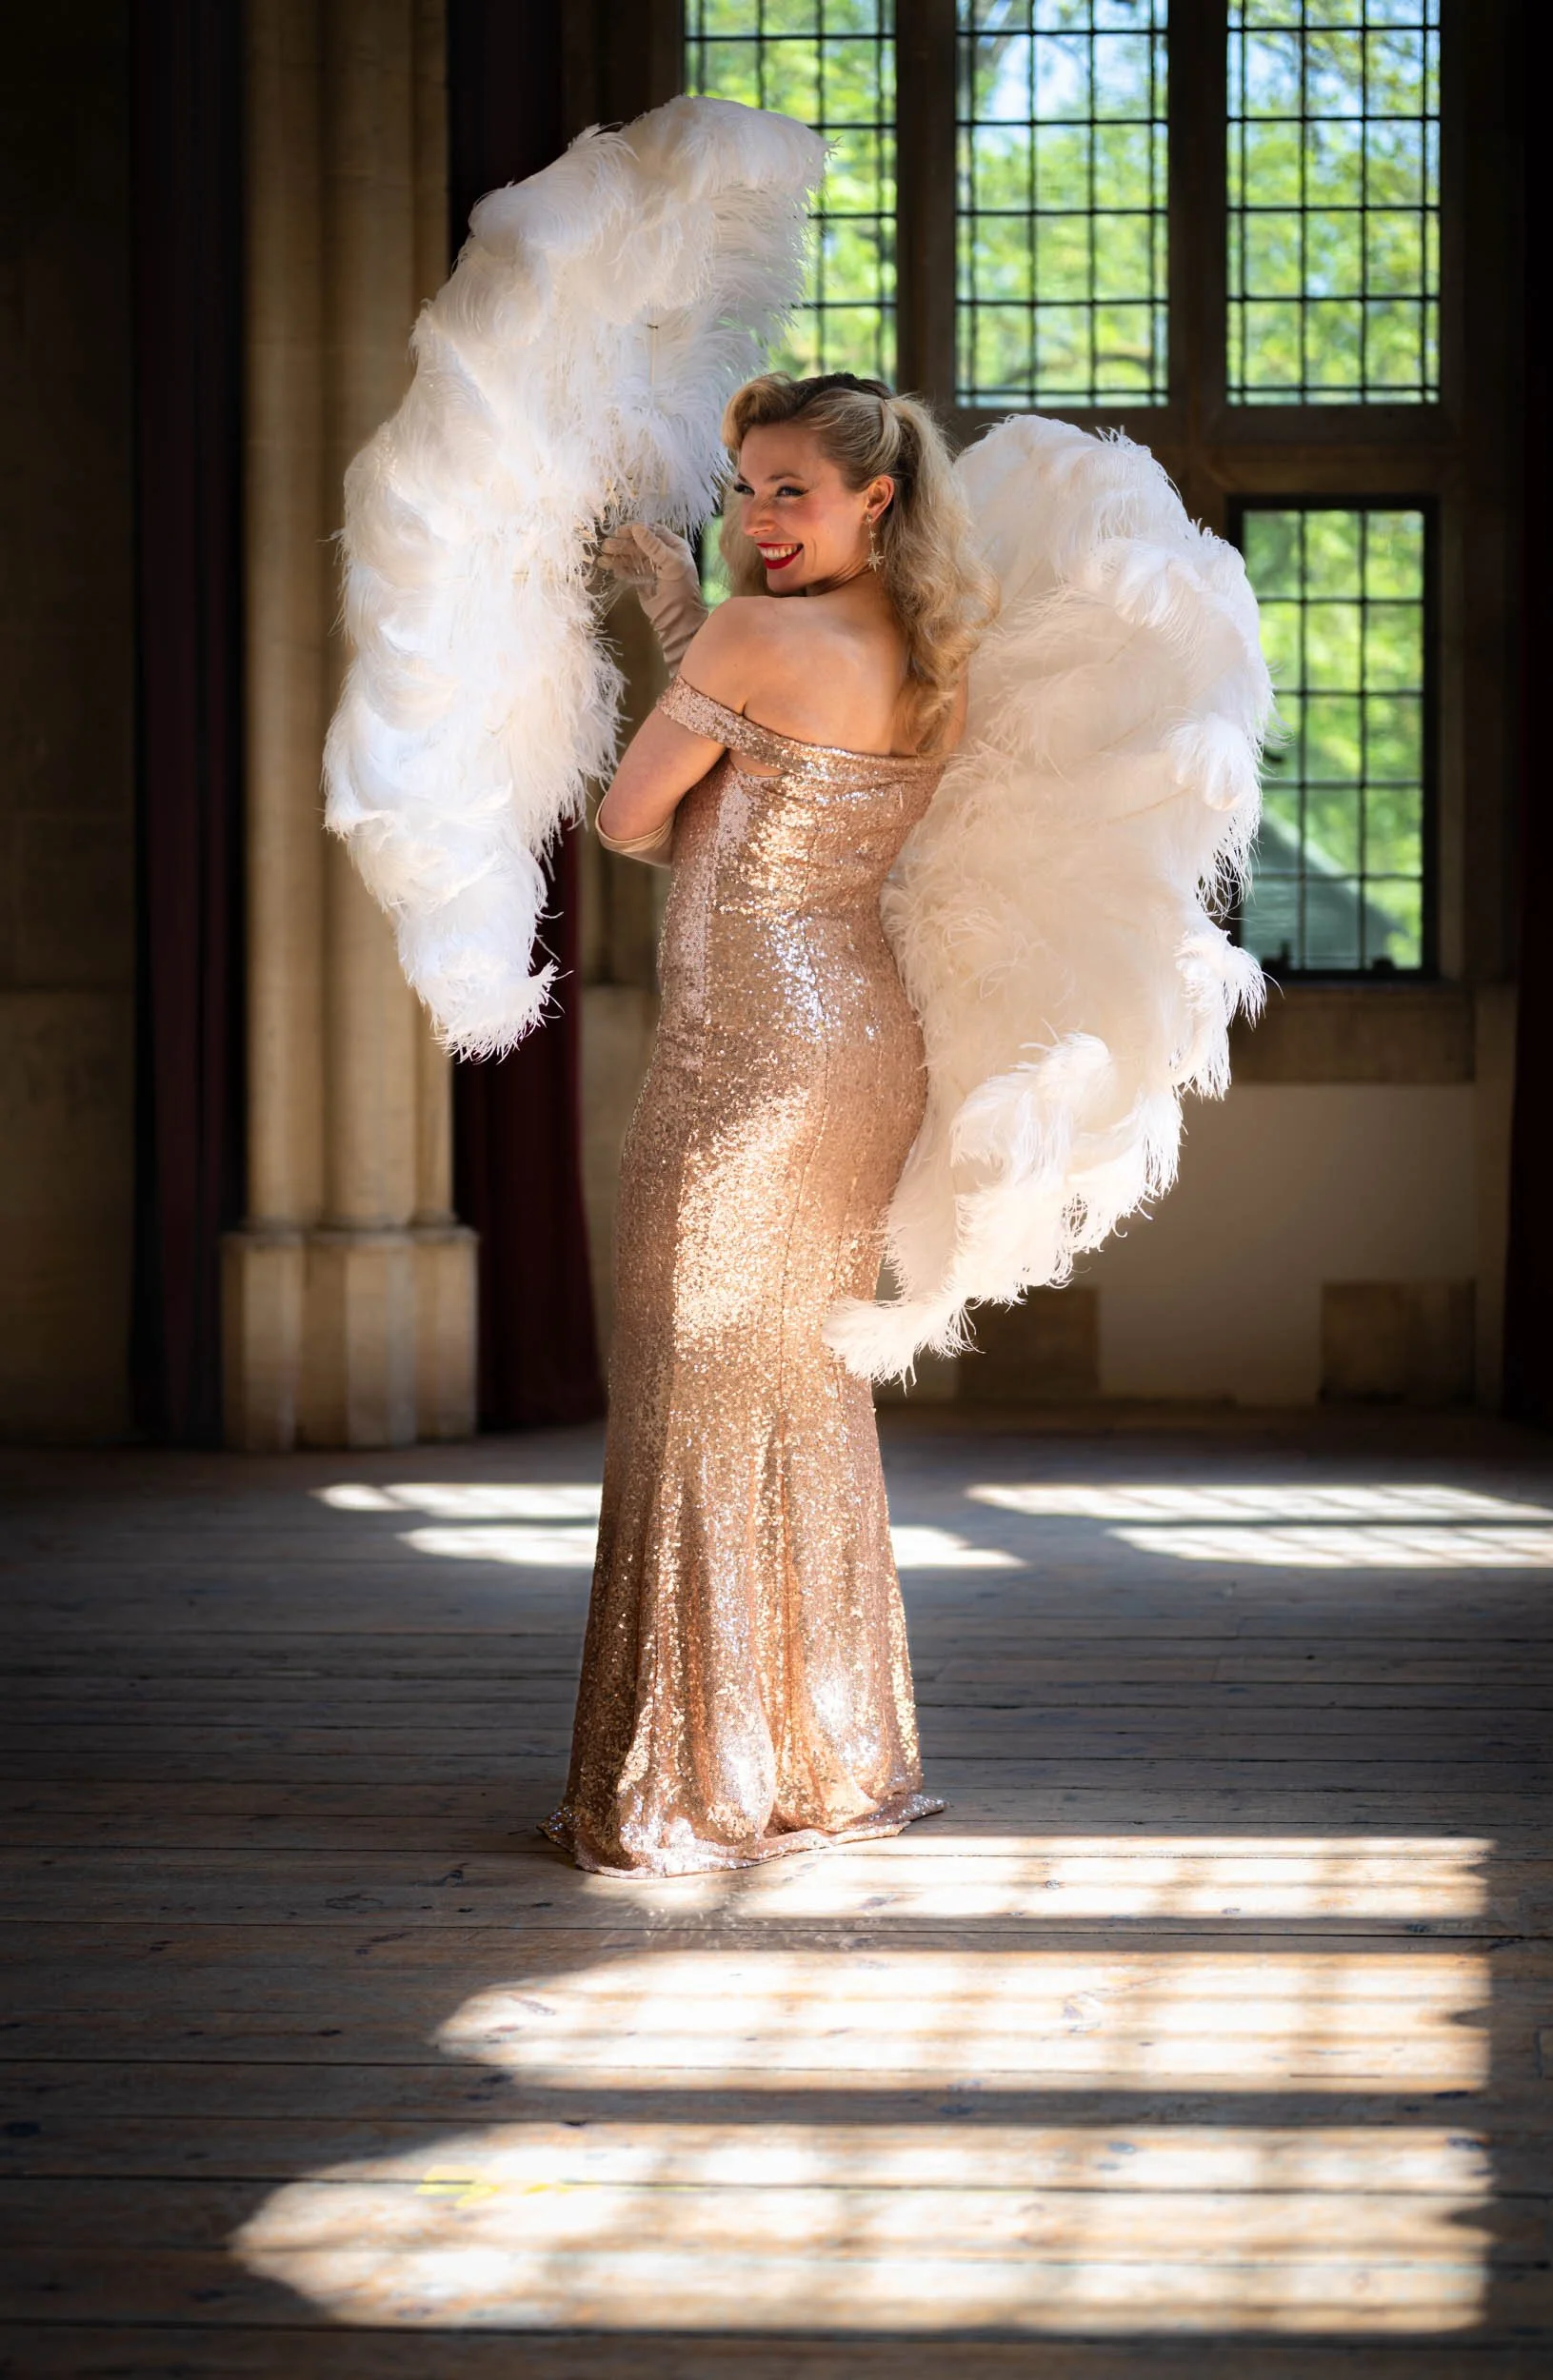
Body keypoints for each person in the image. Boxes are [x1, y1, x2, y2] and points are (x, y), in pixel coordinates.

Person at [543, 371, 996, 1877]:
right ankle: (814, 1758)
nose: (756, 518)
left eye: (788, 490)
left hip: (750, 1057)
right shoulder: (925, 644)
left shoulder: (751, 634)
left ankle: (690, 1775)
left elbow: (633, 821)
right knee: (796, 1394)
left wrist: (679, 618)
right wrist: (688, 607)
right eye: (741, 489)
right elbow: (751, 765)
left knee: (688, 1387)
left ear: (874, 498)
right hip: (862, 1044)